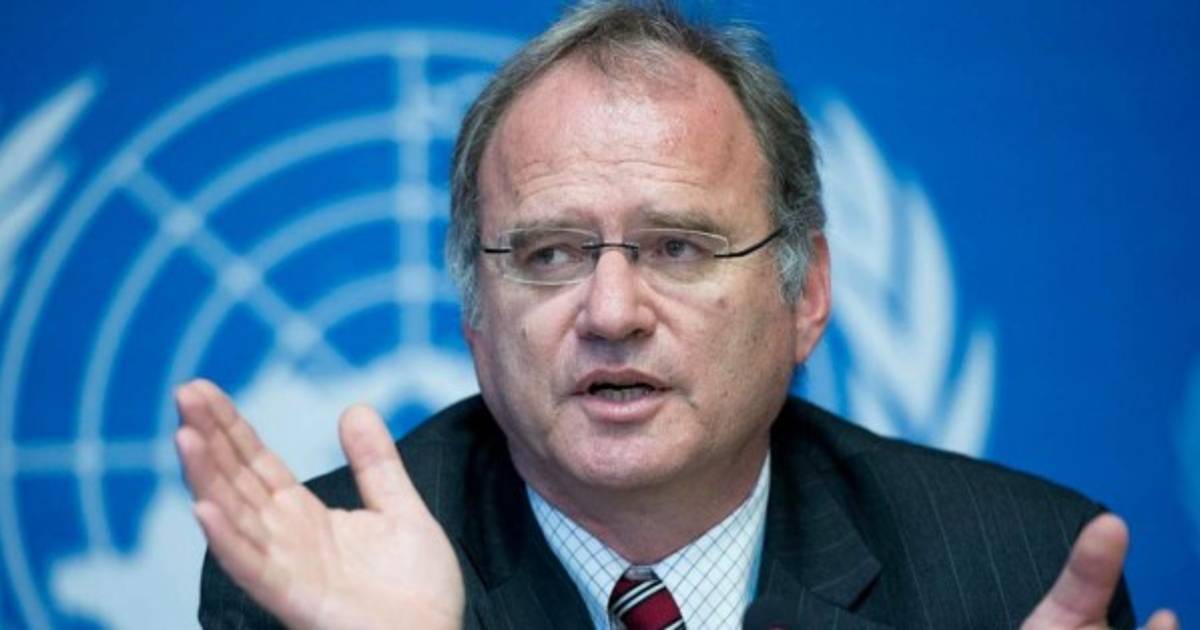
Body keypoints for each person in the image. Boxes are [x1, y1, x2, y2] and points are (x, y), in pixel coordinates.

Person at [175, 2, 1180, 628]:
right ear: (475, 315)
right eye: (550, 255)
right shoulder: (311, 584)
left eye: (679, 248)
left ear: (806, 294)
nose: (612, 312)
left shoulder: (1016, 573)